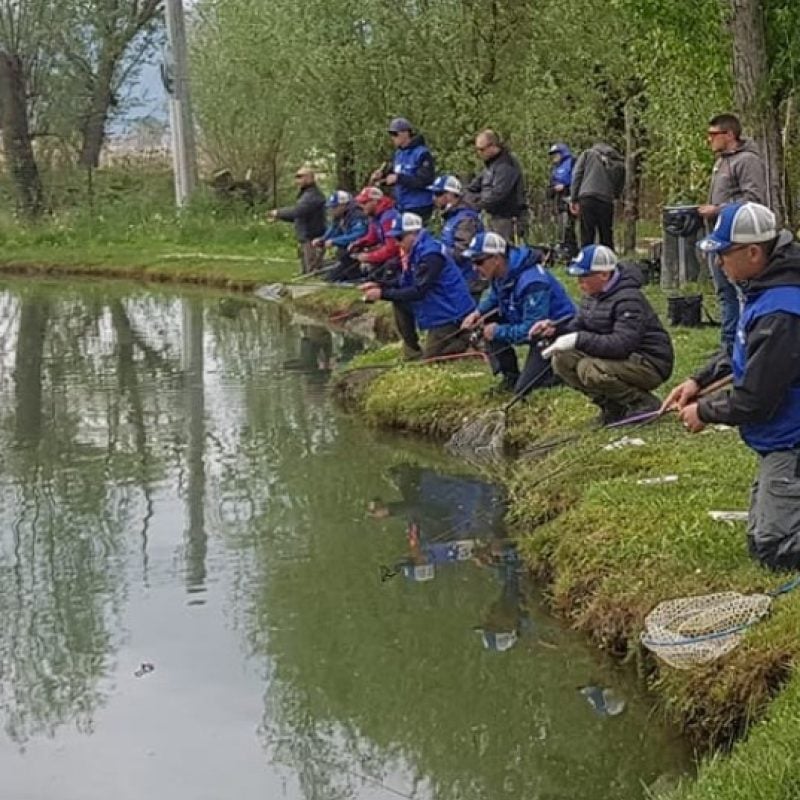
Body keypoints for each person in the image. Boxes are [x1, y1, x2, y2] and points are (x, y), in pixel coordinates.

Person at [663, 202, 800, 572]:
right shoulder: (765, 287)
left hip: (794, 439)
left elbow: (756, 401)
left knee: (775, 550)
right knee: (758, 540)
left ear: (754, 252)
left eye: (724, 253)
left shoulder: (782, 311)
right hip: (782, 438)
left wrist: (703, 412)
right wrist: (698, 381)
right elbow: (740, 349)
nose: (719, 263)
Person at [534, 244, 674, 424]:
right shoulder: (592, 295)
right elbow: (578, 324)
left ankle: (642, 404)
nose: (579, 282)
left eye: (584, 276)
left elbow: (621, 345)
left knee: (589, 368)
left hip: (648, 363)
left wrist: (579, 339)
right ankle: (612, 405)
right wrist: (555, 330)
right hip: (622, 359)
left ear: (604, 274)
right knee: (562, 359)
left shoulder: (629, 299)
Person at [460, 232, 575, 396]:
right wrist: (478, 313)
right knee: (487, 322)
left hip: (552, 332)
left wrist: (498, 331)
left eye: (479, 261)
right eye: (472, 262)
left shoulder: (533, 282)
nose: (474, 268)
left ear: (497, 258)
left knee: (524, 390)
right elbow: (494, 295)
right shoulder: (500, 272)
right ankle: (510, 376)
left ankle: (557, 375)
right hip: (528, 322)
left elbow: (531, 332)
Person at [697, 113, 769, 354]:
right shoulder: (722, 161)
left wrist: (717, 210)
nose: (709, 140)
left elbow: (754, 199)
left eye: (713, 134)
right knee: (724, 294)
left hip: (737, 242)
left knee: (737, 295)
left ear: (729, 135)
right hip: (719, 237)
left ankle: (736, 347)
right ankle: (727, 346)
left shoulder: (747, 161)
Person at [359, 212, 476, 360]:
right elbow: (406, 281)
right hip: (438, 307)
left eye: (399, 237)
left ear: (413, 234)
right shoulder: (416, 251)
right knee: (399, 301)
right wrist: (379, 284)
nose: (396, 242)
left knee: (433, 359)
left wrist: (381, 294)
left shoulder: (430, 254)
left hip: (451, 313)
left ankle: (467, 342)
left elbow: (419, 291)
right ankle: (412, 352)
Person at [465, 129, 528, 243]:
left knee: (503, 253)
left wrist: (477, 204)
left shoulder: (506, 165)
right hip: (493, 217)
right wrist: (466, 199)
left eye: (481, 149)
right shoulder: (491, 166)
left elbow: (498, 195)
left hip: (507, 219)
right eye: (477, 150)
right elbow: (473, 187)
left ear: (492, 146)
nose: (479, 153)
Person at [428, 174, 485, 300]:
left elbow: (461, 253)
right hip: (456, 280)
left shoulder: (466, 219)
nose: (434, 198)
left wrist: (436, 250)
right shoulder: (452, 217)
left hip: (467, 283)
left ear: (450, 195)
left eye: (438, 194)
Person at [370, 117, 435, 220]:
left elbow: (425, 180)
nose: (392, 137)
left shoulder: (422, 153)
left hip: (419, 206)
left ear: (406, 133)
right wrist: (382, 177)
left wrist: (399, 178)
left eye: (395, 134)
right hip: (402, 205)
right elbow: (395, 174)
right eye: (391, 134)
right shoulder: (399, 154)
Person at [267, 166, 326, 274]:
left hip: (312, 237)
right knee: (306, 268)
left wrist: (278, 213)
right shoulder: (305, 194)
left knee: (313, 271)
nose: (297, 180)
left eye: (300, 177)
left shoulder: (312, 196)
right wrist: (279, 217)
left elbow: (298, 211)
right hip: (305, 237)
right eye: (296, 177)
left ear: (310, 178)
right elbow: (298, 216)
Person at [570, 143, 623, 249]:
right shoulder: (619, 163)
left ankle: (586, 260)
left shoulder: (588, 154)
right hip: (606, 200)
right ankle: (608, 261)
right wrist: (615, 196)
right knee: (606, 234)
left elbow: (577, 174)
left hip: (587, 197)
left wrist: (573, 198)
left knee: (587, 234)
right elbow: (619, 184)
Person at [313, 190, 368, 283]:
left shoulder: (358, 215)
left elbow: (358, 234)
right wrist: (322, 240)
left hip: (359, 250)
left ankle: (358, 276)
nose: (331, 210)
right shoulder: (339, 216)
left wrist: (335, 241)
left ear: (343, 205)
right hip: (346, 253)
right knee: (330, 278)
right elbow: (334, 230)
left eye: (334, 207)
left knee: (344, 269)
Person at [348, 186, 401, 282]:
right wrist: (359, 243)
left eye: (364, 203)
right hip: (387, 251)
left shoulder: (388, 218)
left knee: (389, 264)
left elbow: (392, 249)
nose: (361, 206)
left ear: (375, 202)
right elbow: (372, 237)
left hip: (397, 256)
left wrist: (369, 257)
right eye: (360, 203)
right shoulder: (375, 216)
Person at [548, 143, 577, 258]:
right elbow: (549, 187)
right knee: (562, 230)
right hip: (559, 203)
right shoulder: (555, 169)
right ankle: (564, 251)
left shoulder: (573, 163)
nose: (554, 157)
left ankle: (572, 251)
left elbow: (577, 181)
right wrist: (552, 190)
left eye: (556, 154)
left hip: (571, 201)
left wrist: (565, 188)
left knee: (570, 228)